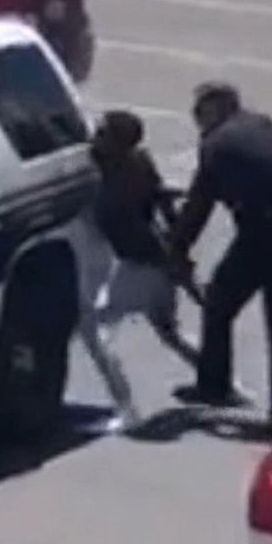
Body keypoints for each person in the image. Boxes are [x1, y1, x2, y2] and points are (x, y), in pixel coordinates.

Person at [169, 82, 272, 432]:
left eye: (200, 112)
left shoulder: (217, 145)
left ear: (214, 109)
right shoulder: (260, 123)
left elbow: (199, 206)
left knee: (226, 303)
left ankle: (217, 387)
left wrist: (175, 248)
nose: (197, 120)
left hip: (269, 233)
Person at [75, 109, 201, 433]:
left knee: (97, 332)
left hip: (138, 264)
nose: (95, 137)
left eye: (103, 133)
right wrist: (179, 249)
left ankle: (128, 411)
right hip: (158, 259)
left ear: (118, 142)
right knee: (169, 332)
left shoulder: (113, 175)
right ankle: (221, 380)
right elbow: (162, 201)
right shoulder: (139, 161)